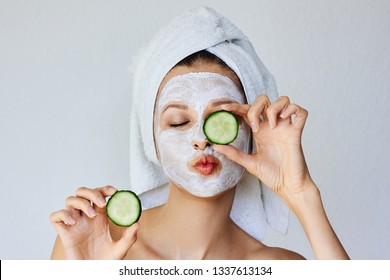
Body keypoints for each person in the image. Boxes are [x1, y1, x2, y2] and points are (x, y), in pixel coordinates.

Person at [50, 7, 349, 260]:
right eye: (179, 121)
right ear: (151, 140)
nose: (201, 138)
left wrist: (301, 193)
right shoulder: (93, 245)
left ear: (252, 129)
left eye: (221, 119)